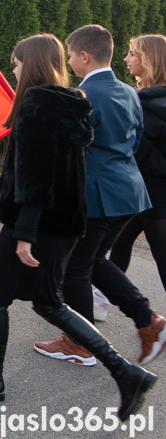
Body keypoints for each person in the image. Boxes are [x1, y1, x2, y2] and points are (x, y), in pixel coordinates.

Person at [0, 34, 156, 421]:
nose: (13, 69)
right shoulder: (73, 102)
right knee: (49, 302)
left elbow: (35, 175)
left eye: (16, 62)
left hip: (35, 222)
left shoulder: (36, 104)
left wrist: (24, 231)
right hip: (65, 224)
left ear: (32, 63)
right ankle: (126, 373)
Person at [34, 25, 166, 367]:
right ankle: (146, 320)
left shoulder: (83, 97)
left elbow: (70, 152)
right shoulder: (128, 91)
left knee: (77, 267)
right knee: (92, 261)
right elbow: (135, 143)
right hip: (130, 192)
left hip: (97, 193)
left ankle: (81, 342)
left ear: (84, 56)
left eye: (70, 54)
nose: (68, 61)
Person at [108, 35, 166, 294]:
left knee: (162, 258)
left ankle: (108, 300)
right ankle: (102, 298)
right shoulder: (147, 99)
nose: (126, 58)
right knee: (119, 243)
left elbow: (135, 150)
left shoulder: (146, 103)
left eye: (132, 53)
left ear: (149, 60)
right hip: (143, 191)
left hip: (151, 194)